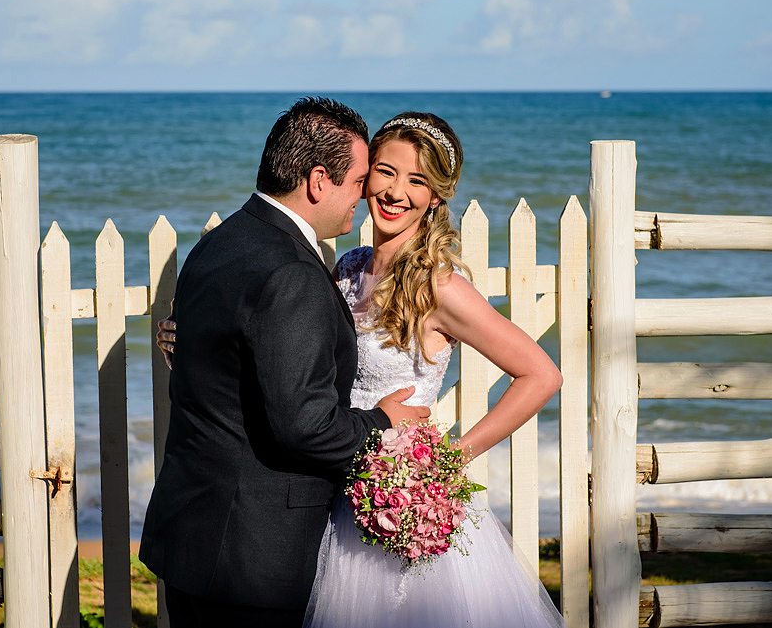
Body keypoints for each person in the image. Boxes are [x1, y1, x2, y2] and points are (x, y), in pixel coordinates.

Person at [159, 111, 567, 627]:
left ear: (437, 197)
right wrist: (192, 338)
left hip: (399, 496)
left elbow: (541, 374)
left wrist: (451, 458)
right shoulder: (346, 268)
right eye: (386, 171)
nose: (396, 191)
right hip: (332, 492)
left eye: (418, 180)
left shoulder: (438, 288)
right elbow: (286, 346)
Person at [138, 98, 431, 628]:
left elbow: (219, 358)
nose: (365, 197)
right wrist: (384, 421)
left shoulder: (218, 244)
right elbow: (305, 427)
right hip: (255, 560)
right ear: (319, 181)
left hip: (190, 537)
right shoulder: (293, 272)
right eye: (359, 181)